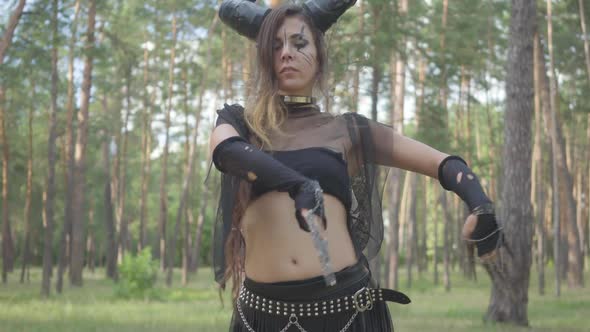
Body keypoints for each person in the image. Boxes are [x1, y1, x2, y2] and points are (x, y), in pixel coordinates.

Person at [209, 1, 502, 331]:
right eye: (275, 46)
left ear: (320, 57)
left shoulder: (349, 130)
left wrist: (479, 203)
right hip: (260, 316)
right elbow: (227, 151)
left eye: (299, 43)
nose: (287, 53)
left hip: (344, 312)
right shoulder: (239, 123)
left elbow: (444, 164)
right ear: (264, 58)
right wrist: (298, 185)